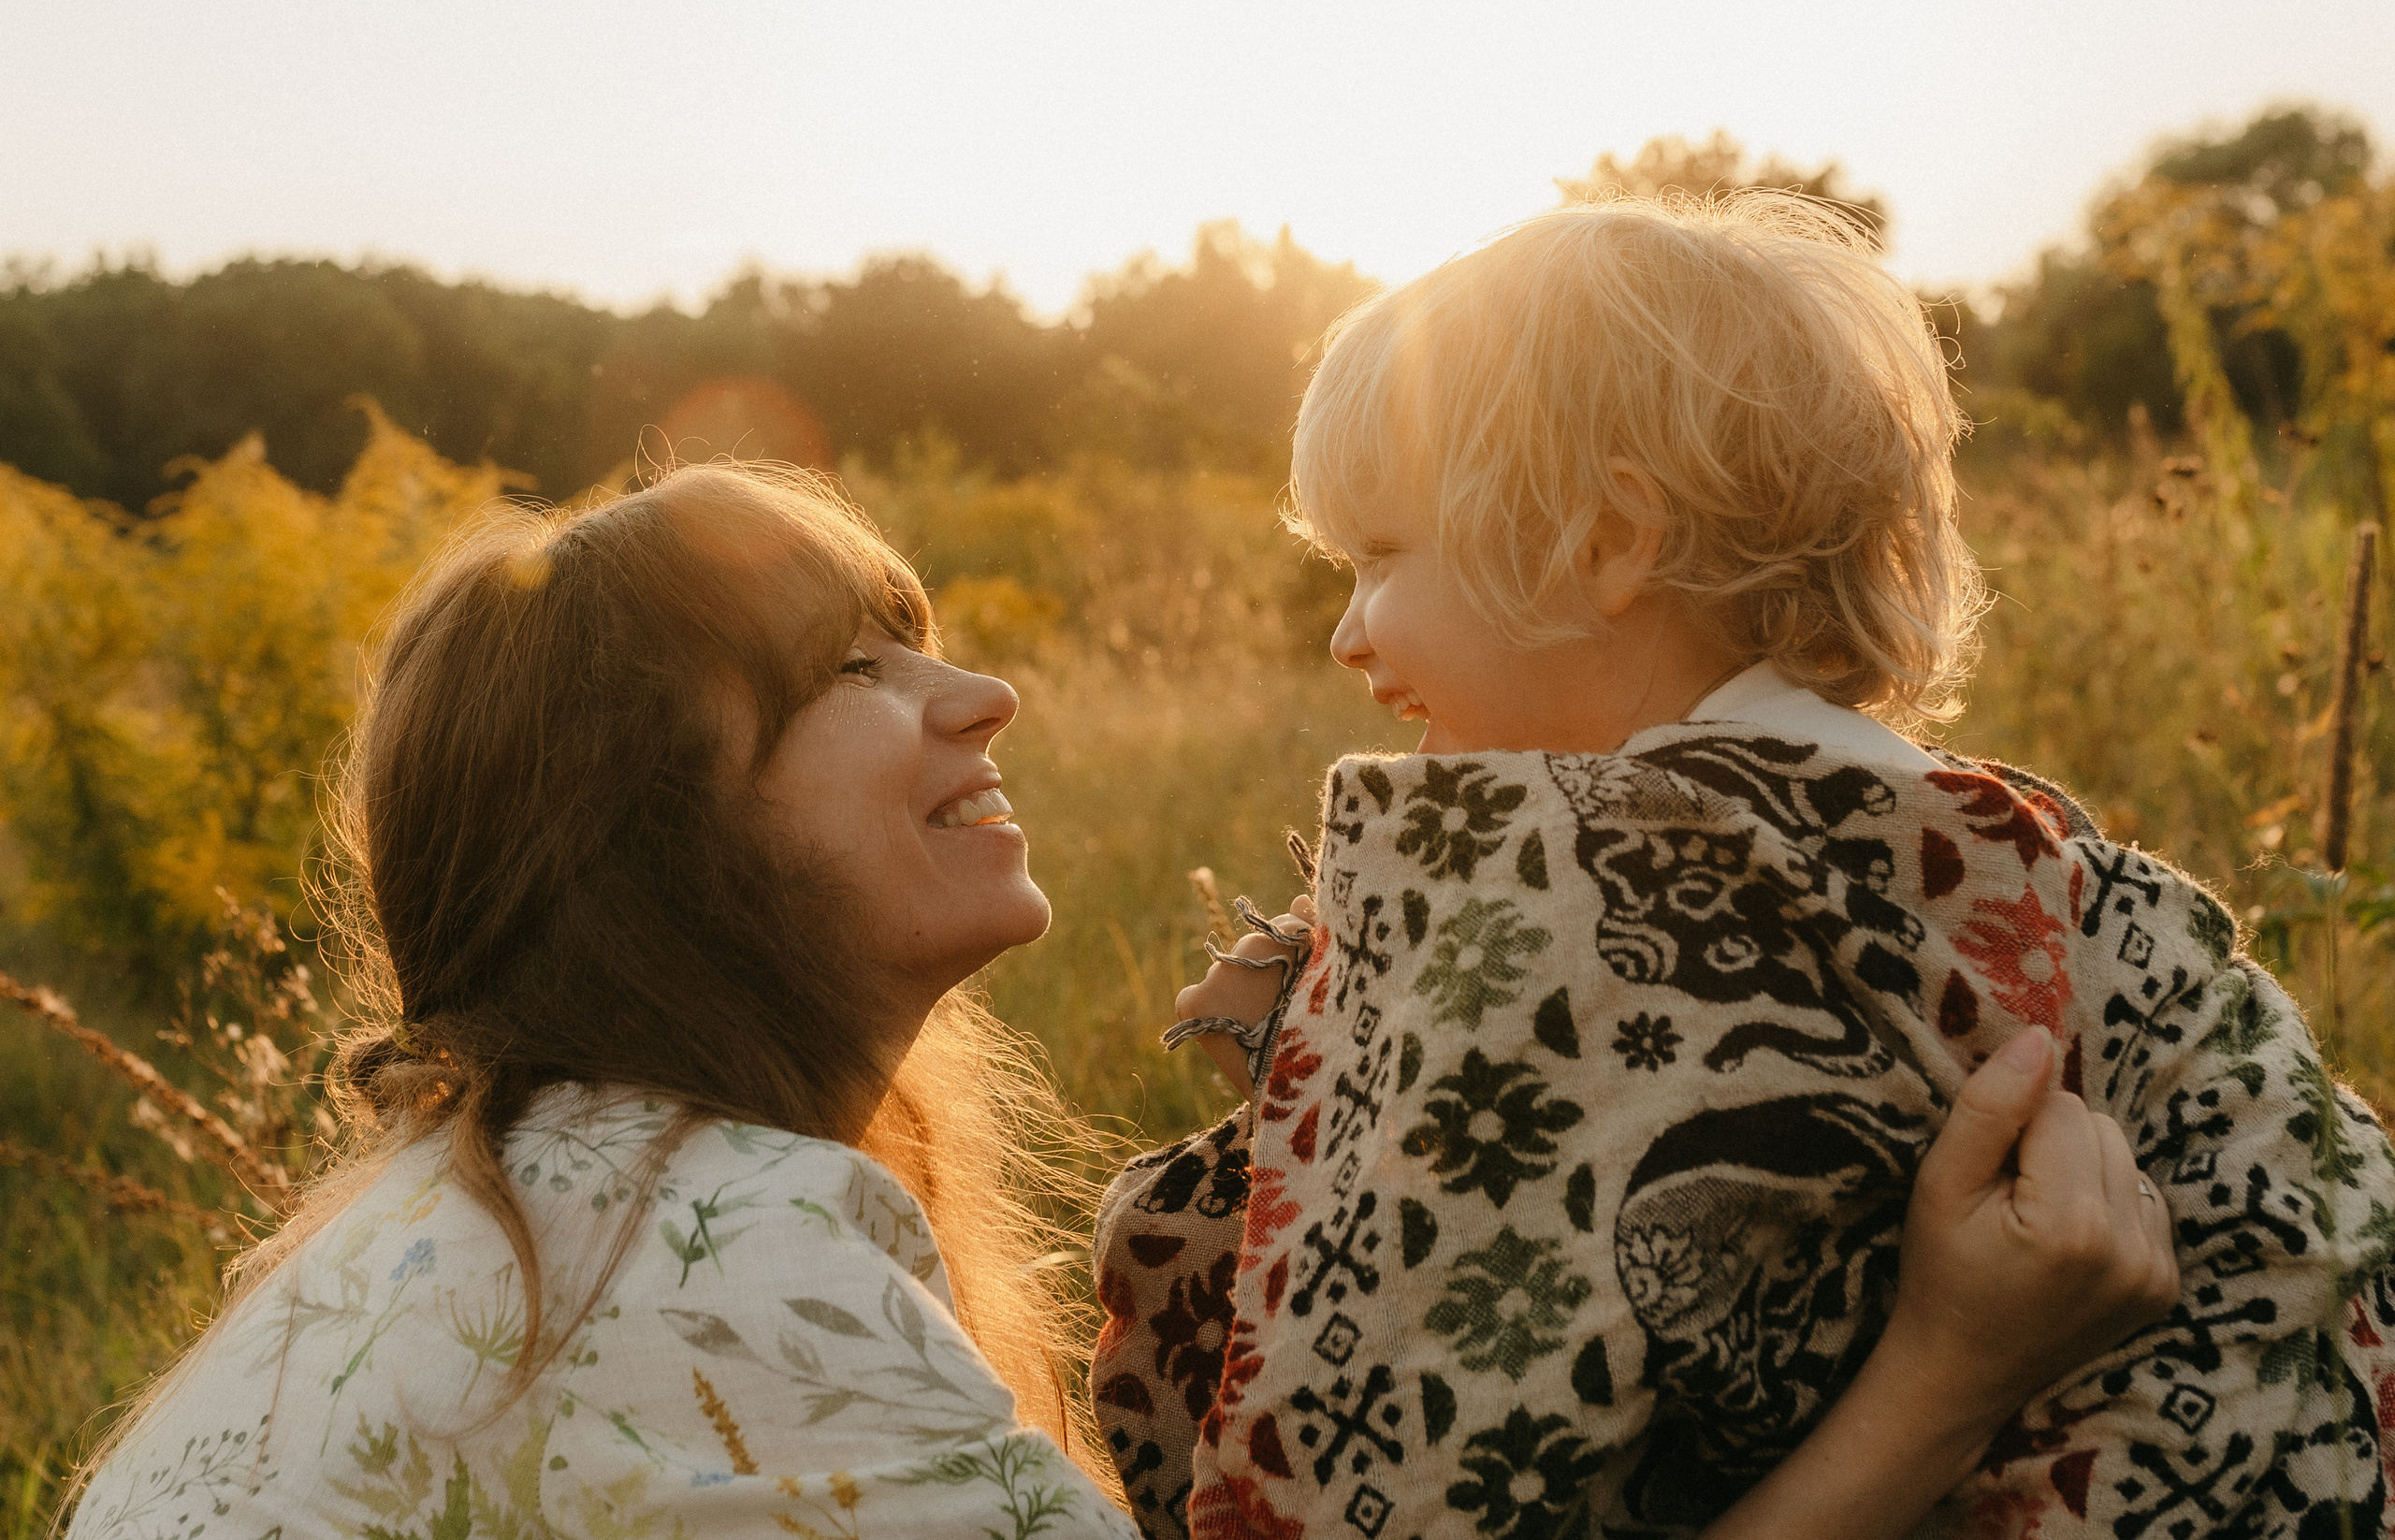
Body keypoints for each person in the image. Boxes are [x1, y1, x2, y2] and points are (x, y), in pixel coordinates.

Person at [55, 467, 2181, 1540]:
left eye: (922, 637)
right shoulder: (706, 1263)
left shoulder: (514, 1209)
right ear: (645, 838)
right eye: (846, 675)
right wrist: (1944, 1376)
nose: (979, 692)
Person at [1101, 196, 2395, 1539]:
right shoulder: (2014, 852)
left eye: (1377, 561)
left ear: (1609, 544)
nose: (1347, 639)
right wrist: (1331, 1039)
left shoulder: (1577, 878)